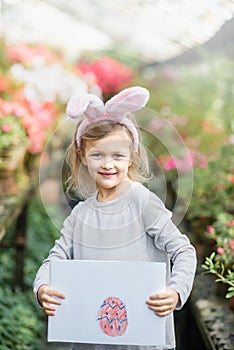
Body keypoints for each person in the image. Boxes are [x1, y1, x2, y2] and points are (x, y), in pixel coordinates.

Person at [33, 86, 197, 350]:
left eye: (117, 155)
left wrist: (175, 291)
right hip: (93, 338)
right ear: (82, 157)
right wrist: (42, 288)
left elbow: (183, 250)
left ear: (131, 157)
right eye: (97, 155)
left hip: (143, 338)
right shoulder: (81, 215)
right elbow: (56, 259)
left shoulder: (141, 202)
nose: (108, 164)